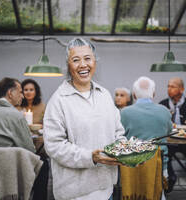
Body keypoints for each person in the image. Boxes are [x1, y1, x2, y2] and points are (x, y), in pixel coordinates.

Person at [43, 38, 125, 200]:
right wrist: (90, 157)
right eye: (76, 60)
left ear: (95, 61)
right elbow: (53, 145)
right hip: (75, 192)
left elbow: (118, 132)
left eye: (87, 58)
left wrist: (122, 149)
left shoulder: (105, 95)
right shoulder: (59, 100)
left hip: (106, 187)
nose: (83, 65)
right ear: (68, 65)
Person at [0, 77, 48, 200]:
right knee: (44, 165)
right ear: (10, 93)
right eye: (21, 92)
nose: (22, 96)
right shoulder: (17, 116)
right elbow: (29, 149)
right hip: (10, 177)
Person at [120, 76, 172, 199]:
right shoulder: (164, 111)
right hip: (159, 167)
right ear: (153, 93)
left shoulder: (124, 113)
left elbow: (118, 136)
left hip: (131, 168)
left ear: (134, 94)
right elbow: (169, 131)